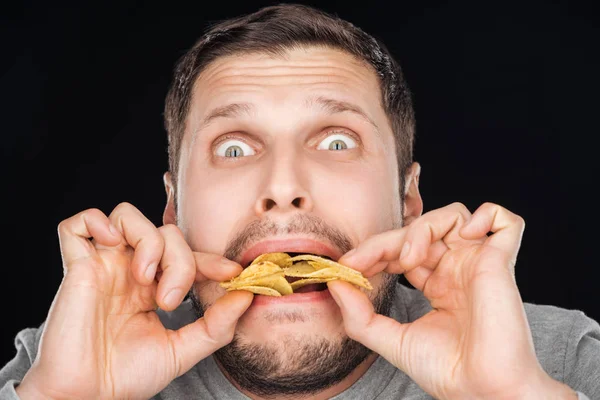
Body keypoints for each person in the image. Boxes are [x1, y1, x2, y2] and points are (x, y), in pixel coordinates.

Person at [1, 3, 598, 399]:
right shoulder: (64, 359)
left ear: (409, 201)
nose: (282, 185)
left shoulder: (559, 363)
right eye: (234, 149)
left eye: (337, 141)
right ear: (174, 213)